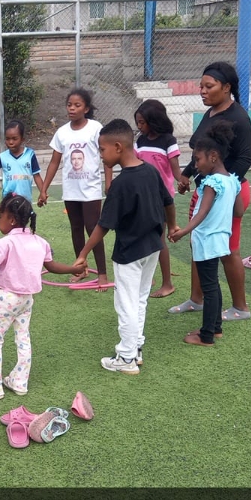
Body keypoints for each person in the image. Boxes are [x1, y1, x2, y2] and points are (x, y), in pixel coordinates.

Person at [70, 117, 170, 374]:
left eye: (102, 150)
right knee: (139, 299)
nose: (100, 155)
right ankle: (135, 348)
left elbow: (103, 225)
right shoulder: (150, 171)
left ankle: (126, 358)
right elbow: (168, 201)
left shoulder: (120, 184)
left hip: (129, 253)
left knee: (126, 303)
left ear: (118, 147)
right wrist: (174, 226)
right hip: (153, 247)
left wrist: (83, 253)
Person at [0, 191, 77, 399]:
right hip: (27, 300)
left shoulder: (5, 243)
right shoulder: (40, 242)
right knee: (23, 338)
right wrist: (73, 269)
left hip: (6, 299)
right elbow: (52, 266)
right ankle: (19, 382)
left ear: (11, 220)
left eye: (0, 216)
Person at [169, 60, 251, 324]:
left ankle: (240, 307)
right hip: (206, 190)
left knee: (228, 250)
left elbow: (245, 159)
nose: (202, 91)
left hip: (228, 194)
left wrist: (225, 187)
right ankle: (197, 299)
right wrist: (187, 174)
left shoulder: (239, 117)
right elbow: (202, 151)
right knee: (199, 244)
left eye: (209, 86)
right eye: (201, 86)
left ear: (226, 87)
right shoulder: (211, 113)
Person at [169, 121, 242, 347]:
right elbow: (239, 210)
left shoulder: (211, 182)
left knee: (209, 287)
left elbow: (202, 212)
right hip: (221, 239)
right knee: (213, 285)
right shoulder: (232, 180)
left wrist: (183, 232)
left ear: (213, 156)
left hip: (206, 240)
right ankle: (215, 328)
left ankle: (207, 335)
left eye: (197, 159)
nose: (195, 165)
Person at [39, 87, 108, 285]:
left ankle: (102, 273)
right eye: (69, 105)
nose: (72, 108)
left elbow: (106, 155)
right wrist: (44, 188)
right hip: (71, 190)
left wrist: (109, 181)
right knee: (76, 228)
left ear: (86, 109)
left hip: (91, 189)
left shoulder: (95, 128)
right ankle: (81, 269)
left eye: (77, 105)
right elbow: (54, 162)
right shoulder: (62, 133)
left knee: (92, 228)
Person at [133, 99, 181, 298]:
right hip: (142, 195)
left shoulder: (168, 140)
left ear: (154, 120)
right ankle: (148, 276)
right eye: (137, 122)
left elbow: (175, 169)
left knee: (159, 239)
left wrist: (182, 180)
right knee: (144, 236)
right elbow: (134, 163)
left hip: (161, 198)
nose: (139, 126)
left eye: (142, 122)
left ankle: (167, 283)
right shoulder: (140, 141)